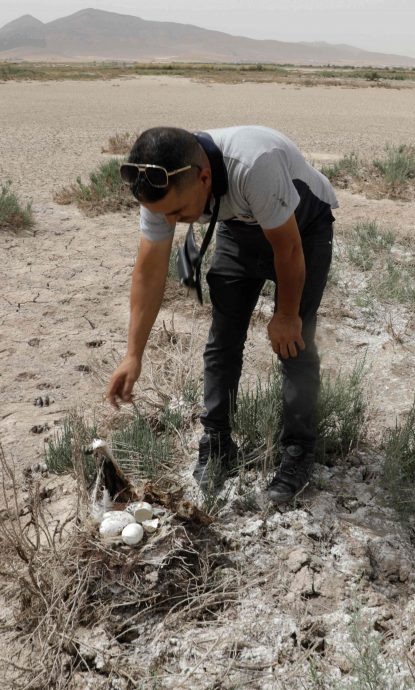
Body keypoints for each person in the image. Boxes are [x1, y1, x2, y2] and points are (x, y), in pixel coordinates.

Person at [105, 125, 337, 504]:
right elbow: (149, 273)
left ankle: (298, 451)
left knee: (294, 343)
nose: (170, 223)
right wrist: (133, 353)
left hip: (303, 229)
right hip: (239, 227)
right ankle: (217, 442)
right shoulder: (160, 189)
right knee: (223, 341)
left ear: (205, 178)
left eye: (178, 213)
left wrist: (286, 314)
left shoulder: (253, 164)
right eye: (163, 215)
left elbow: (289, 250)